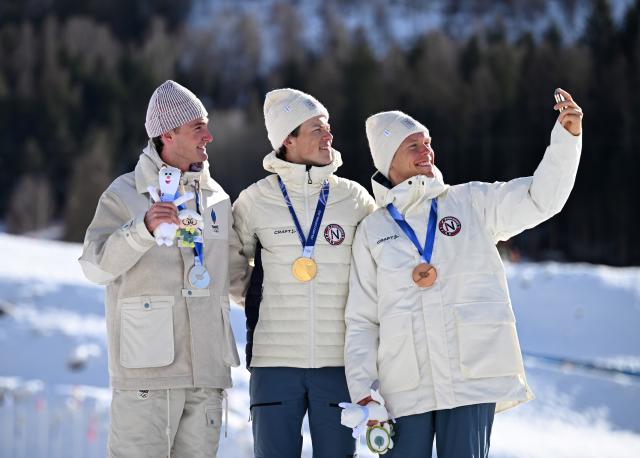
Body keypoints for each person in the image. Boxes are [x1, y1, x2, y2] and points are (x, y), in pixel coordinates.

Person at [344, 88, 583, 457]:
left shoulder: (471, 202)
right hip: (402, 388)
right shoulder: (372, 231)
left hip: (471, 378)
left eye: (428, 143)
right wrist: (364, 389)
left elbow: (540, 198)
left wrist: (566, 140)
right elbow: (360, 321)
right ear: (389, 159)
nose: (426, 151)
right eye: (413, 146)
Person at [79, 80, 243, 457]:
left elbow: (236, 278)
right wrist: (143, 229)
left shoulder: (217, 199)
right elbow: (94, 266)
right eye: (198, 127)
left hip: (207, 374)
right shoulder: (124, 194)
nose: (209, 136)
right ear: (167, 134)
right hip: (147, 374)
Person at [231, 88, 376, 457]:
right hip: (273, 363)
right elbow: (229, 262)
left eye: (328, 128)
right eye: (316, 129)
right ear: (288, 140)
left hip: (340, 364)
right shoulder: (254, 200)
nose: (328, 136)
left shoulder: (354, 199)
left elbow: (383, 261)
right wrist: (258, 298)